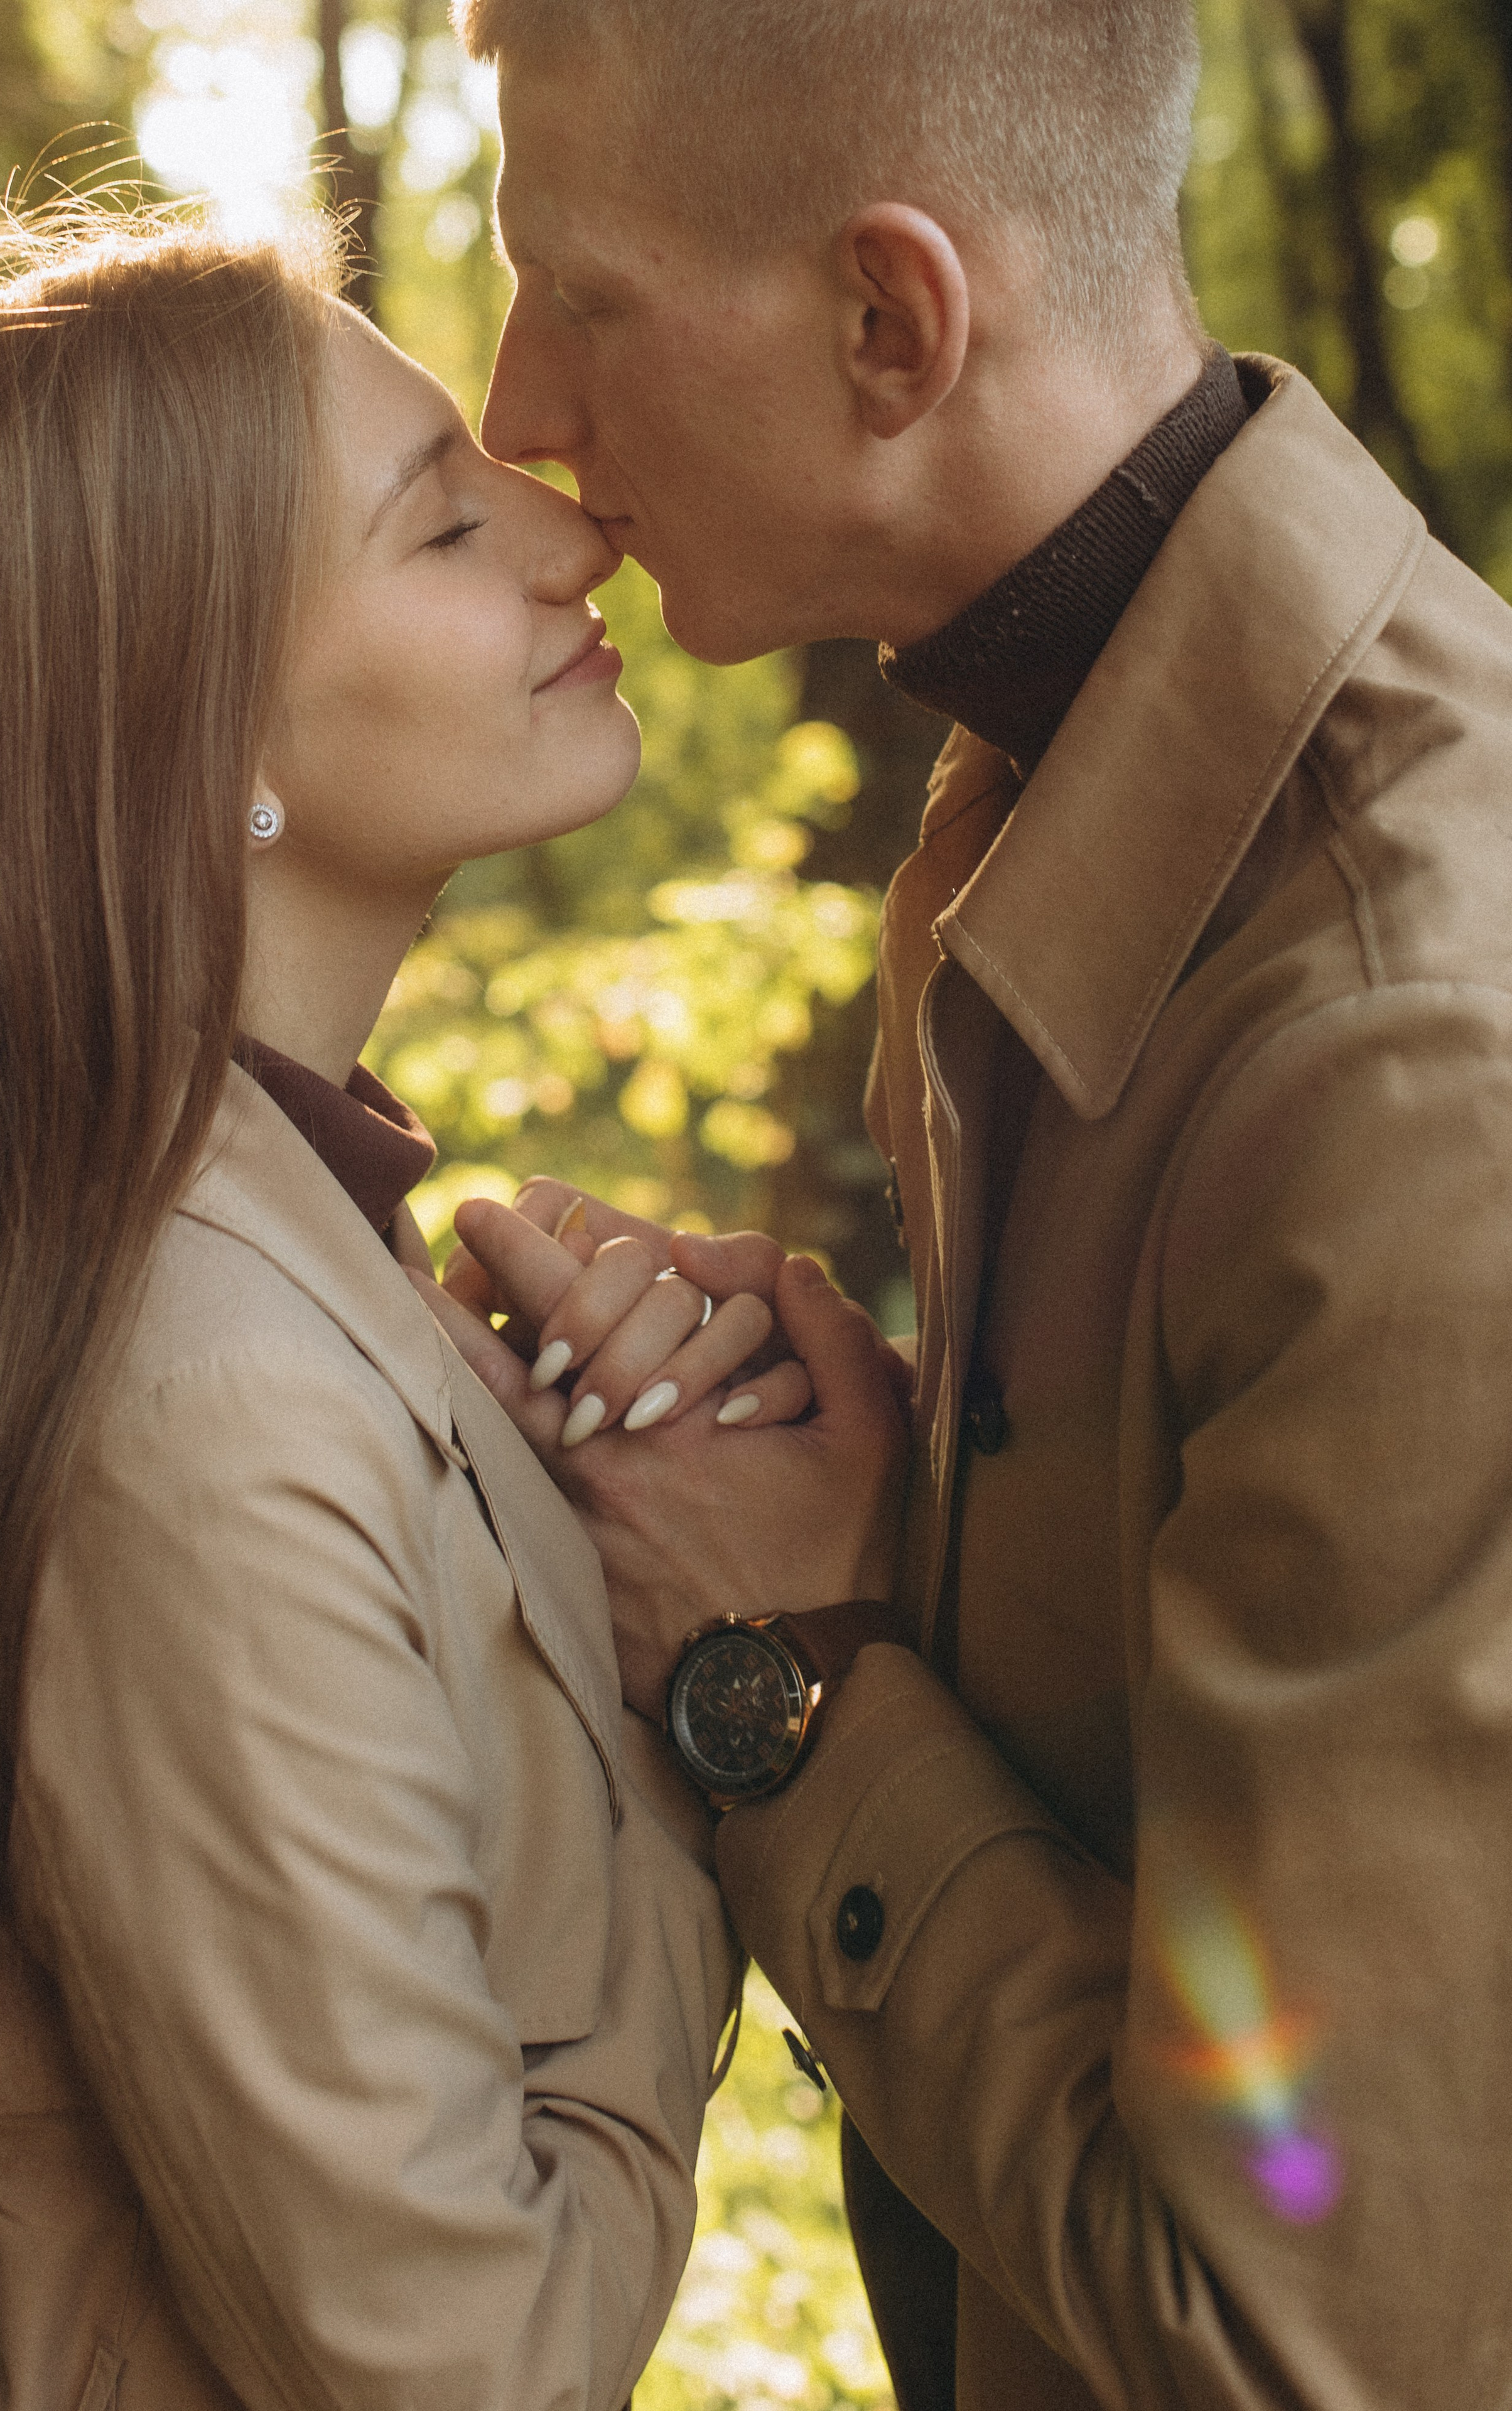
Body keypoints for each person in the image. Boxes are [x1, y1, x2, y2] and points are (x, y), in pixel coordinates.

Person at [425, 1, 1512, 2405]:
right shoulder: (1072, 791)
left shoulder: (1405, 1057)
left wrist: (783, 1689)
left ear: (890, 324)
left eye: (577, 293)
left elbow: (1296, 2334)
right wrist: (896, 1510)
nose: (516, 405)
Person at [0, 210, 752, 2408]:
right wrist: (723, 1716)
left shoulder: (282, 1240)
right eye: (446, 521)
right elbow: (456, 2367)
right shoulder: (199, 1396)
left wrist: (610, 1495)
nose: (576, 534)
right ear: (195, 735)